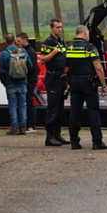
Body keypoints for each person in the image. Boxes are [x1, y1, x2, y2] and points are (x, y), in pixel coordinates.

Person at [65, 25, 107, 151]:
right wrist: (103, 84)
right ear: (85, 34)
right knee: (93, 111)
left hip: (73, 81)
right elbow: (98, 68)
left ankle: (74, 141)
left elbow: (65, 64)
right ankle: (97, 141)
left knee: (75, 112)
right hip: (88, 83)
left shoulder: (69, 47)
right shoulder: (90, 47)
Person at [40, 18, 70, 147]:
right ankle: (49, 136)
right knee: (52, 108)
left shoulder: (61, 41)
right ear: (51, 28)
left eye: (61, 27)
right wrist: (54, 52)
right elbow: (42, 59)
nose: (59, 29)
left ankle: (58, 134)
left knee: (60, 108)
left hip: (61, 77)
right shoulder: (48, 42)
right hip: (52, 78)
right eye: (57, 27)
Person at [0, 33, 28, 135]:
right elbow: (31, 66)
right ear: (15, 41)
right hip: (22, 82)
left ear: (5, 42)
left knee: (12, 105)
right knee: (22, 104)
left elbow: (1, 70)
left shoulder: (4, 53)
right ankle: (23, 127)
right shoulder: (23, 51)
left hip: (10, 82)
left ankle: (14, 127)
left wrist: (4, 82)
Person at [17, 33, 38, 132]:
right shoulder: (29, 50)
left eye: (19, 40)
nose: (18, 43)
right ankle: (29, 124)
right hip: (30, 79)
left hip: (30, 80)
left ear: (25, 40)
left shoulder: (29, 52)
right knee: (28, 101)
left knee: (29, 101)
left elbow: (33, 67)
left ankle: (31, 125)